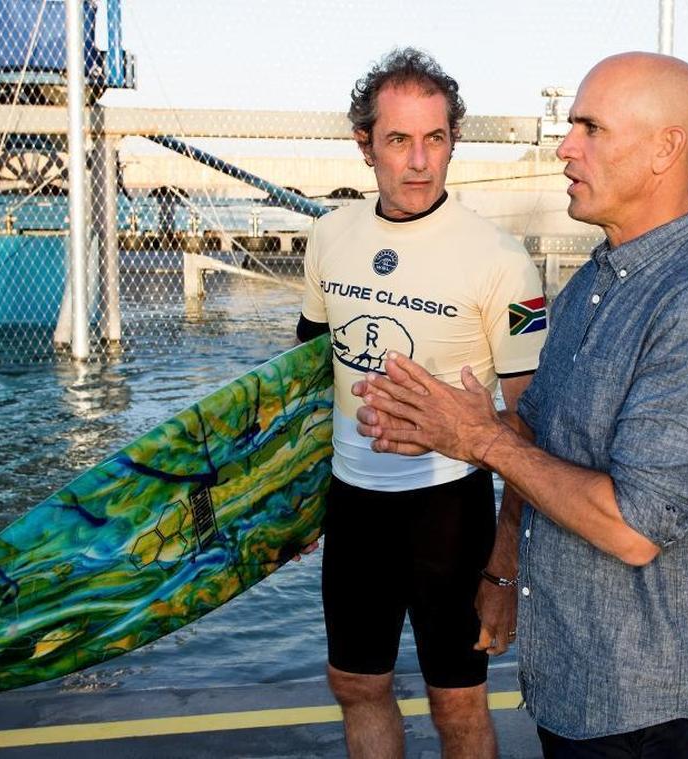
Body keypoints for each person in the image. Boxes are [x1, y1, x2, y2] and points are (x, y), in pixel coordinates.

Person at [354, 51, 688, 758]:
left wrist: (479, 440)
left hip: (641, 702)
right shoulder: (592, 283)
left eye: (590, 127)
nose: (564, 146)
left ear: (665, 149)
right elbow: (535, 434)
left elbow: (635, 525)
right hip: (568, 675)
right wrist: (498, 561)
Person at [297, 47, 547, 758]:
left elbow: (533, 429)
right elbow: (312, 382)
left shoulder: (506, 262)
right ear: (364, 146)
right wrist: (296, 498)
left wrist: (503, 567)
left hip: (449, 515)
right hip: (352, 510)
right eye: (398, 140)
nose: (418, 161)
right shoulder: (329, 235)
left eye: (434, 139)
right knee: (356, 686)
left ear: (452, 143)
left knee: (459, 706)